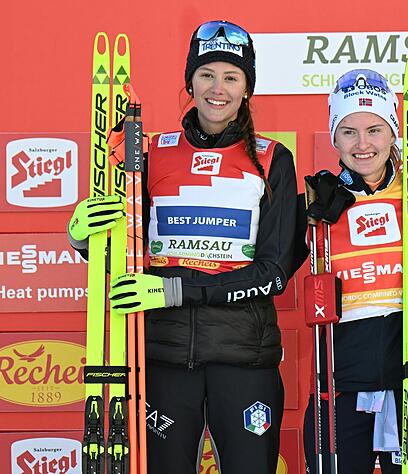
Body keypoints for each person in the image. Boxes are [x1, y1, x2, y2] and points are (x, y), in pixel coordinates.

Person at [67, 20, 297, 474]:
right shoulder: (151, 153)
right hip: (163, 355)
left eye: (232, 77)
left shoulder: (272, 159)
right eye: (207, 73)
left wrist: (177, 289)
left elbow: (273, 272)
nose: (218, 88)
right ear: (189, 80)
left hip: (244, 359)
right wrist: (83, 238)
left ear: (247, 88)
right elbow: (125, 253)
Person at [298, 69, 408, 473]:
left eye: (374, 129)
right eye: (348, 131)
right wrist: (300, 220)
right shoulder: (316, 204)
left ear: (394, 133)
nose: (362, 144)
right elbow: (268, 271)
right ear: (334, 137)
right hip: (340, 382)